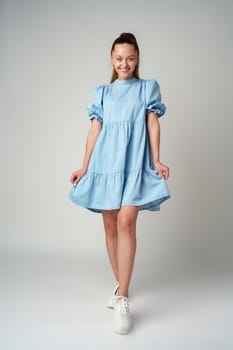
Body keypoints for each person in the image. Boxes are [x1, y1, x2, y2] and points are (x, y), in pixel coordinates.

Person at [69, 32, 171, 335]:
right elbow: (94, 131)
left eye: (129, 57)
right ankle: (120, 285)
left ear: (137, 58)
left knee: (127, 222)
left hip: (134, 164)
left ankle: (123, 297)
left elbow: (153, 123)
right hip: (105, 164)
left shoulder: (146, 88)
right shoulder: (102, 92)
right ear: (111, 60)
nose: (124, 63)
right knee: (111, 225)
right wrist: (85, 166)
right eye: (118, 58)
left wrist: (157, 160)